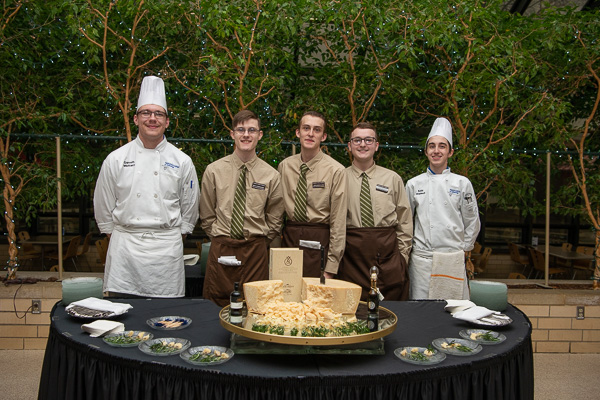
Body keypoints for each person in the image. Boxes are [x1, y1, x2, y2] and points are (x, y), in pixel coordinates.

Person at [94, 76, 200, 298]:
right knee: (124, 319)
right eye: (146, 113)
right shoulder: (116, 159)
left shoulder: (182, 161)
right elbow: (103, 205)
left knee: (166, 320)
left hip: (166, 252)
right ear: (136, 119)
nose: (152, 119)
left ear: (167, 122)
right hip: (125, 252)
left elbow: (190, 206)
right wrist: (119, 235)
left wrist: (174, 235)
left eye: (158, 114)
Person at [199, 110, 284, 306]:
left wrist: (260, 241)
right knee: (216, 304)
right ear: (232, 134)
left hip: (255, 251)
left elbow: (275, 216)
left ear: (259, 135)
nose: (246, 135)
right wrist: (220, 237)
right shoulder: (214, 171)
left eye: (252, 130)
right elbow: (206, 213)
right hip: (222, 246)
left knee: (256, 304)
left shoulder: (270, 175)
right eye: (241, 130)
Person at [405, 117, 480, 300]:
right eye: (432, 146)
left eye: (442, 146)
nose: (436, 151)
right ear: (426, 151)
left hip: (451, 258)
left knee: (453, 310)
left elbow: (472, 219)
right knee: (421, 309)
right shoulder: (414, 184)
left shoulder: (462, 183)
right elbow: (406, 222)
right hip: (422, 259)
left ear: (450, 152)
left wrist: (464, 248)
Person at [337, 122, 412, 300]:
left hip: (388, 257)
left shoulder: (393, 178)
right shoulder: (338, 178)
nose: (363, 144)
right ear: (349, 146)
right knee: (353, 312)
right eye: (357, 140)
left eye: (368, 140)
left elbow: (405, 220)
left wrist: (402, 258)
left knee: (391, 312)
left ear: (376, 146)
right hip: (351, 259)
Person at [278, 111, 347, 278]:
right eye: (306, 128)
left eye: (316, 130)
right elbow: (277, 214)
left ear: (323, 137)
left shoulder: (336, 171)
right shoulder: (285, 167)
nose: (310, 133)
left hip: (320, 242)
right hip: (289, 240)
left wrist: (331, 267)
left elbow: (338, 223)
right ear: (298, 132)